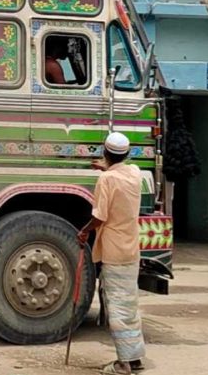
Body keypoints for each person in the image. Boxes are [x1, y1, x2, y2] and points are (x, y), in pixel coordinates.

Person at [78, 132, 146, 374]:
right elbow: (120, 171)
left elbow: (99, 216)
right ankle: (135, 357)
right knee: (130, 304)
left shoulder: (106, 181)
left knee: (115, 305)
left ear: (105, 154)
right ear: (127, 155)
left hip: (113, 249)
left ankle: (123, 363)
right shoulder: (135, 174)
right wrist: (106, 168)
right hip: (131, 248)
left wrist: (84, 231)